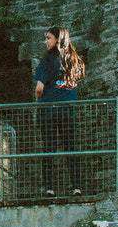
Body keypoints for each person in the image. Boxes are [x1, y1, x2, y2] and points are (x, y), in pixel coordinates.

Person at [33, 28, 84, 193]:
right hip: (68, 109)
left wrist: (39, 99)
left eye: (48, 38)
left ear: (57, 39)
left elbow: (39, 88)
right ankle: (76, 187)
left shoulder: (47, 60)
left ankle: (49, 188)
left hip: (49, 109)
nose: (46, 41)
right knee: (70, 147)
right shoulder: (74, 59)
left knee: (49, 149)